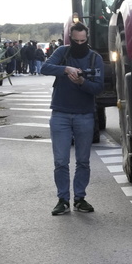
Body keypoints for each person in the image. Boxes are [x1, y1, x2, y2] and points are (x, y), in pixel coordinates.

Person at [40, 22, 105, 215]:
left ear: (87, 38)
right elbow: (45, 67)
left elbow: (98, 88)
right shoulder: (62, 52)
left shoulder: (95, 58)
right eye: (76, 40)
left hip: (84, 115)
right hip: (60, 114)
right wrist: (66, 69)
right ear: (70, 38)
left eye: (82, 41)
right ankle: (62, 199)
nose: (79, 43)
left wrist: (82, 81)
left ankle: (80, 198)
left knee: (83, 161)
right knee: (61, 161)